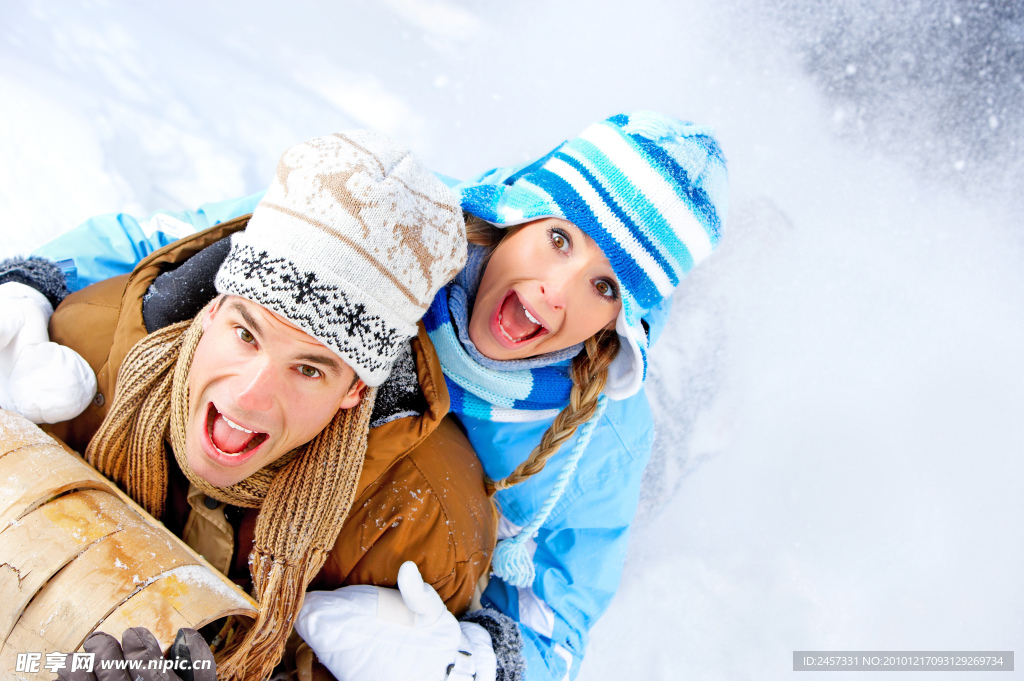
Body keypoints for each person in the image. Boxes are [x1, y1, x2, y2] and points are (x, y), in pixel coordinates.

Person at [8, 111, 728, 681]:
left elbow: (563, 611)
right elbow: (197, 242)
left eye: (606, 286)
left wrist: (480, 663)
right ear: (520, 211)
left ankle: (700, 363)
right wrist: (30, 283)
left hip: (447, 539)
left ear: (620, 320)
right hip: (332, 479)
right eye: (560, 240)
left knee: (654, 481)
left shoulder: (601, 432)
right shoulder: (394, 224)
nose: (556, 291)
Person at [0, 131, 497, 681]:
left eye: (309, 369)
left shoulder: (420, 526)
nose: (248, 395)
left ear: (355, 391)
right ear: (212, 310)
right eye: (246, 333)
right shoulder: (83, 350)